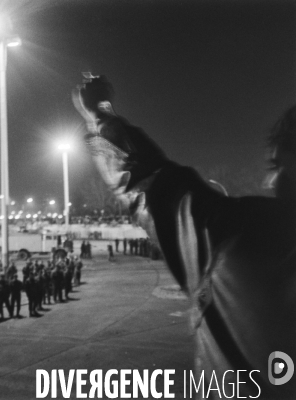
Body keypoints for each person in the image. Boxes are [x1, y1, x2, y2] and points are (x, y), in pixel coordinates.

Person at [74, 75, 296, 398]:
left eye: (278, 165)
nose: (270, 181)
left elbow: (150, 184)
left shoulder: (243, 236)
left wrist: (99, 115)